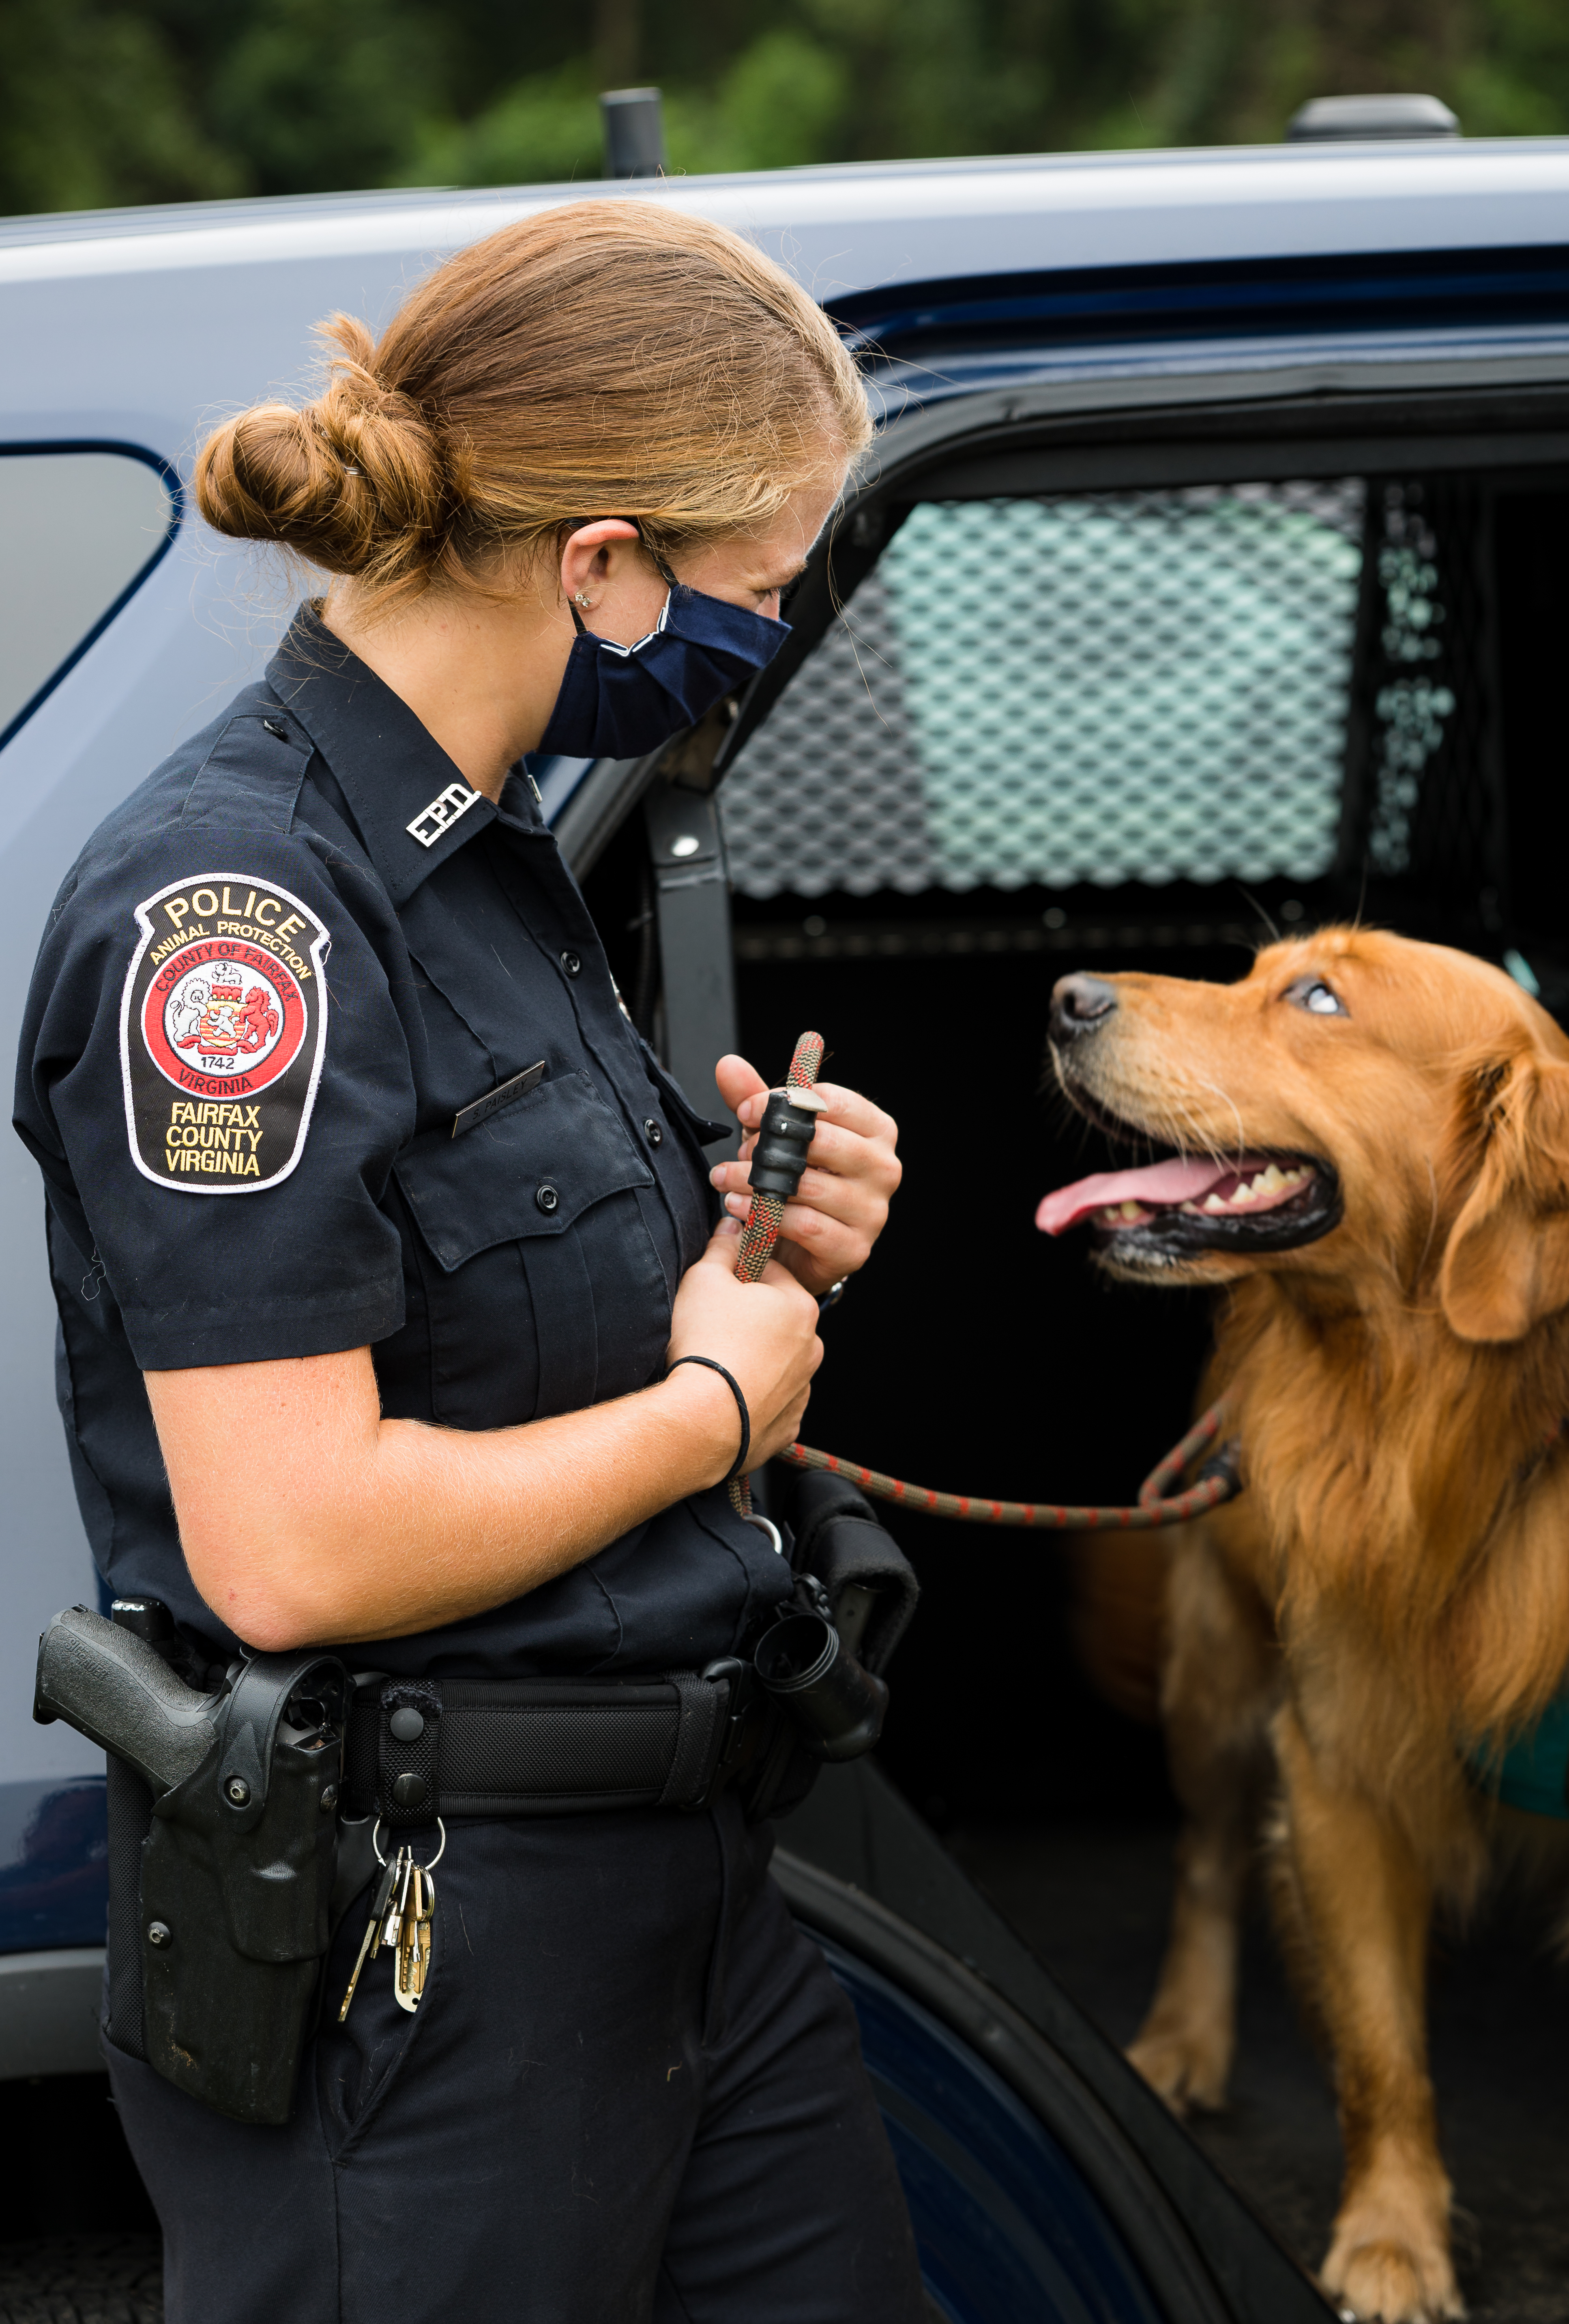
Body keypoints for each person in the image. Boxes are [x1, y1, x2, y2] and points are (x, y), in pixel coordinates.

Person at [13, 201, 922, 2324]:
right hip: (425, 1960)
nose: (771, 638)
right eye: (765, 587)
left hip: (682, 1903)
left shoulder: (489, 855)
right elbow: (294, 1548)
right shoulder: (242, 920)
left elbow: (506, 1328)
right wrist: (715, 1413)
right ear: (600, 561)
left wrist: (756, 1232)